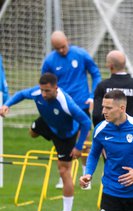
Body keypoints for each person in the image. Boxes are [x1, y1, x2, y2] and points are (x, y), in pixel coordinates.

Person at [0, 73, 91, 211]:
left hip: (65, 135)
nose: (43, 94)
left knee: (63, 171)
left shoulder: (66, 103)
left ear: (56, 88)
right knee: (32, 132)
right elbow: (21, 94)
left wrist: (78, 146)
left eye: (47, 91)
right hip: (47, 123)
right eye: (42, 90)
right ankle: (39, 131)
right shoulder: (37, 93)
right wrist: (6, 105)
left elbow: (86, 122)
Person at [42, 31, 101, 187]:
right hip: (61, 106)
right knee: (61, 140)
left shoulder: (80, 54)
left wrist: (92, 94)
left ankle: (86, 175)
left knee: (85, 138)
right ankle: (64, 175)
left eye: (63, 46)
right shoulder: (49, 61)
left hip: (81, 103)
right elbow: (44, 84)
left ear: (67, 40)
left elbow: (95, 73)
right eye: (57, 48)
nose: (62, 50)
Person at [92, 50, 133, 126]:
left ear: (110, 66)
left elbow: (96, 115)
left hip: (110, 133)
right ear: (124, 64)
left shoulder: (102, 86)